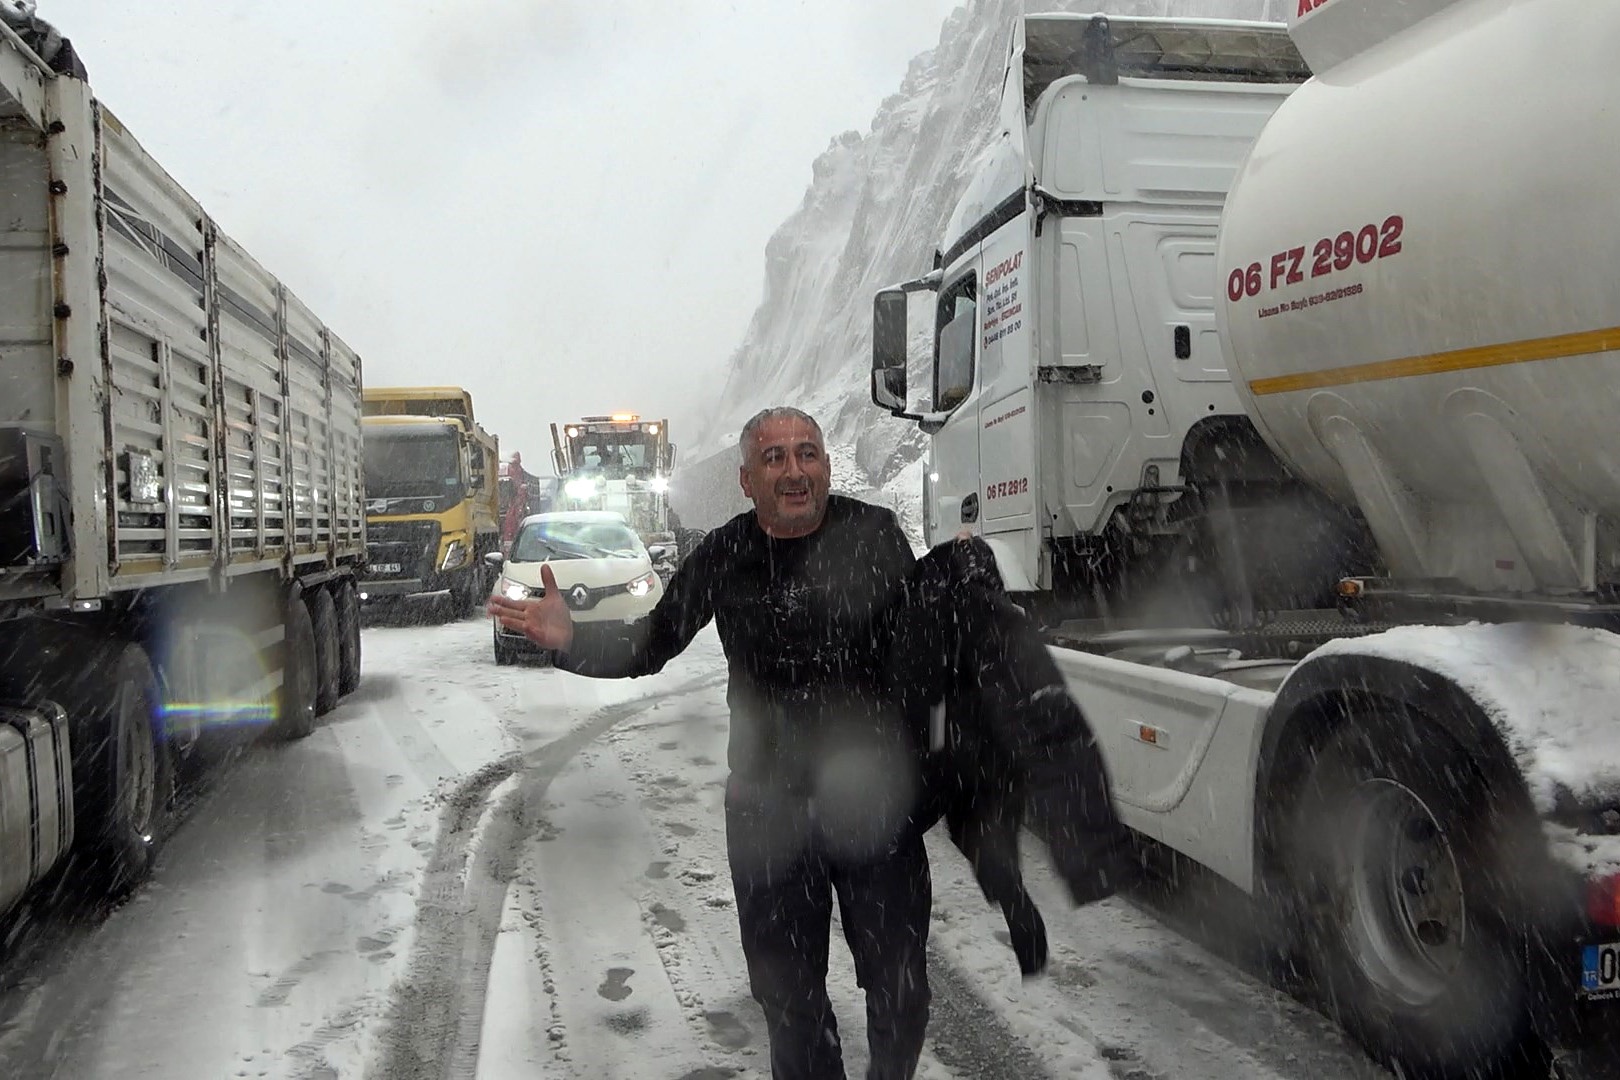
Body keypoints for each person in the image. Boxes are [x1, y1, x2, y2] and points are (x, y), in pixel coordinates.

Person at [488, 406, 929, 1080]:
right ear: (746, 479)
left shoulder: (874, 537)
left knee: (901, 992)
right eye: (774, 458)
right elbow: (653, 641)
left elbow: (921, 667)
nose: (794, 471)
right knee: (789, 1002)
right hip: (769, 809)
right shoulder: (725, 555)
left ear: (827, 467)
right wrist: (574, 637)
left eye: (806, 454)